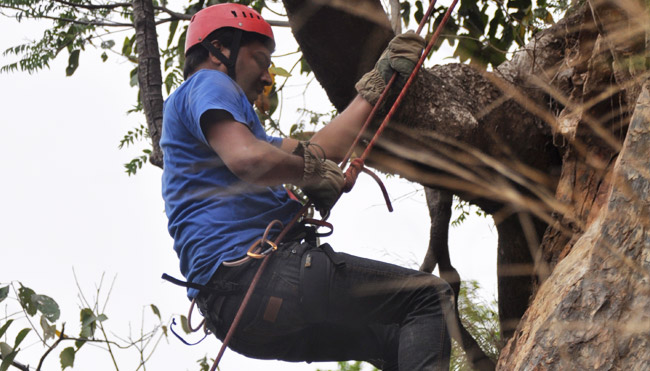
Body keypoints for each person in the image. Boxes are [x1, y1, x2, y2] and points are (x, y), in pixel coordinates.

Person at [161, 3, 453, 370]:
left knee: (394, 341)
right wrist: (311, 174)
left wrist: (375, 86)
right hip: (258, 276)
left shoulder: (232, 127)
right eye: (260, 59)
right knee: (427, 296)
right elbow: (250, 160)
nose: (267, 77)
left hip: (237, 316)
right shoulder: (209, 82)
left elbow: (316, 151)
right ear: (220, 49)